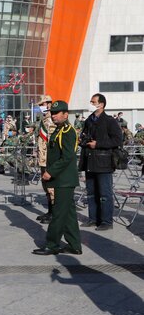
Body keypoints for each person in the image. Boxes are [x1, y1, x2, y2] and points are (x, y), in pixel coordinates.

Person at [33, 101, 82, 255]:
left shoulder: (68, 131)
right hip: (62, 179)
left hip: (64, 179)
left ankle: (52, 244)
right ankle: (74, 245)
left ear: (65, 114)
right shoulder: (59, 130)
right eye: (52, 113)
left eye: (57, 113)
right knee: (68, 213)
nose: (53, 116)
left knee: (59, 214)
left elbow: (68, 157)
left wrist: (51, 172)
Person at [79, 93, 123, 231]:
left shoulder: (109, 121)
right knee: (91, 193)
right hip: (89, 161)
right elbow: (84, 136)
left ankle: (106, 221)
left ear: (101, 104)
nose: (91, 103)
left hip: (103, 162)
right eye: (91, 101)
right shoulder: (89, 120)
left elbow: (117, 140)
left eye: (93, 102)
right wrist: (82, 140)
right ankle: (93, 219)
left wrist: (98, 144)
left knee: (105, 193)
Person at [36, 95, 56, 224]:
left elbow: (52, 142)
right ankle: (50, 211)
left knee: (52, 187)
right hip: (43, 158)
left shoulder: (52, 120)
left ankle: (54, 214)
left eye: (43, 104)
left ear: (49, 104)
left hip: (49, 159)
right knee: (46, 187)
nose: (41, 107)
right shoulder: (44, 119)